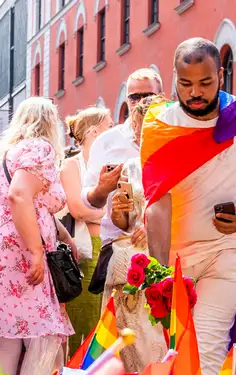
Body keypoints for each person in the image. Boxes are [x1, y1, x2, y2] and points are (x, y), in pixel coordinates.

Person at [143, 38, 236, 375]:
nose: (195, 92)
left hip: (230, 250)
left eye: (205, 82)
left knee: (207, 346)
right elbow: (157, 203)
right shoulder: (160, 126)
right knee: (173, 350)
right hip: (176, 257)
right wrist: (159, 274)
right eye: (185, 83)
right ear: (174, 79)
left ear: (221, 75)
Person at [0, 97, 76, 375]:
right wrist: (36, 250)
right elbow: (19, 195)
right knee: (44, 339)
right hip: (16, 247)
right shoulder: (39, 148)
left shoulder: (6, 153)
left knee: (3, 340)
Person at [81, 68, 164, 297]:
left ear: (160, 96)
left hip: (168, 246)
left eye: (147, 96)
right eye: (134, 97)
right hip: (122, 247)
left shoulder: (175, 140)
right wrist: (102, 189)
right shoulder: (108, 142)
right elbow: (89, 199)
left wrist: (155, 229)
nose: (140, 102)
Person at [104, 95, 170, 372]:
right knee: (131, 337)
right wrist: (118, 212)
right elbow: (124, 221)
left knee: (158, 335)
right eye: (142, 130)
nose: (146, 136)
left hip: (169, 254)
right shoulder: (131, 168)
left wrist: (154, 227)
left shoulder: (181, 164)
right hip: (132, 259)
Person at [61, 106, 111, 352]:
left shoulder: (112, 164)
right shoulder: (72, 166)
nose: (114, 131)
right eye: (109, 126)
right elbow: (78, 209)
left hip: (111, 247)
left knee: (105, 319)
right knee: (84, 321)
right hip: (86, 249)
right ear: (94, 132)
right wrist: (109, 216)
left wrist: (99, 216)